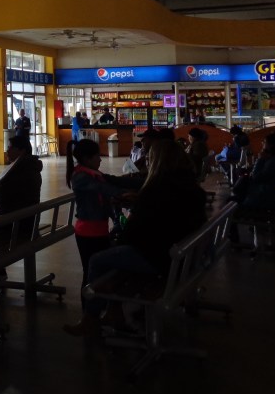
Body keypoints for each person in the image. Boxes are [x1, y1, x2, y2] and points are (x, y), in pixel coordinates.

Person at [64, 138, 207, 337]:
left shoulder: (157, 189)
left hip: (162, 259)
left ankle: (91, 318)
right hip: (181, 256)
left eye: (149, 158)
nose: (146, 161)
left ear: (158, 161)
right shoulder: (185, 185)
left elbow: (134, 231)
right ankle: (114, 312)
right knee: (116, 258)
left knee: (98, 261)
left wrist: (130, 212)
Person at [66, 138, 137, 307]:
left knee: (101, 271)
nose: (100, 159)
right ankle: (89, 311)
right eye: (97, 156)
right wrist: (124, 194)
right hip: (88, 233)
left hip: (99, 230)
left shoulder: (93, 173)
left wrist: (143, 183)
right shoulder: (81, 177)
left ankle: (99, 307)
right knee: (90, 272)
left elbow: (114, 181)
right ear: (87, 158)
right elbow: (105, 189)